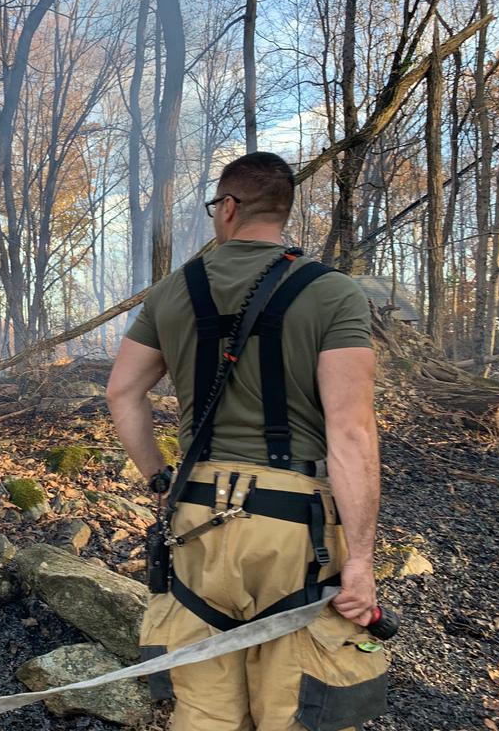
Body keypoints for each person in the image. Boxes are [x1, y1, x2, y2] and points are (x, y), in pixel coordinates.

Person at [106, 151, 388, 730]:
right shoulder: (333, 293)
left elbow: (122, 396)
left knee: (204, 709)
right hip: (295, 528)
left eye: (216, 207)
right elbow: (352, 432)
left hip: (197, 518)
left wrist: (160, 478)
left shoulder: (170, 292)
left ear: (229, 208)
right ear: (283, 211)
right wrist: (360, 561)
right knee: (293, 709)